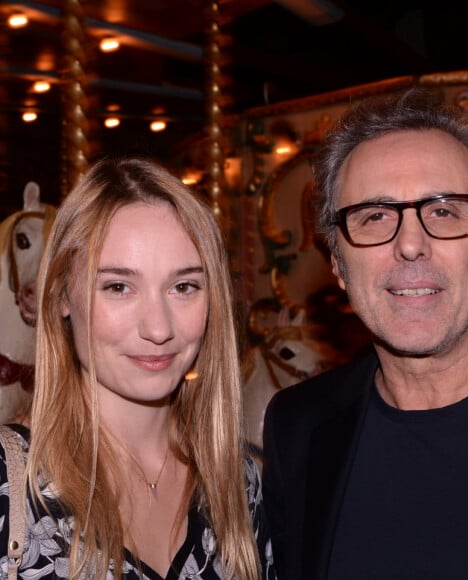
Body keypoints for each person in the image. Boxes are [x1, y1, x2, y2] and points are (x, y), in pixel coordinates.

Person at [262, 86, 468, 580]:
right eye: (374, 216)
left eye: (443, 211)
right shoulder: (297, 426)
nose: (411, 245)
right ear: (339, 264)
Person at [0, 157, 276, 580]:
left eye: (183, 286)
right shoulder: (8, 484)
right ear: (60, 298)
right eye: (118, 287)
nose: (159, 327)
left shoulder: (236, 478)